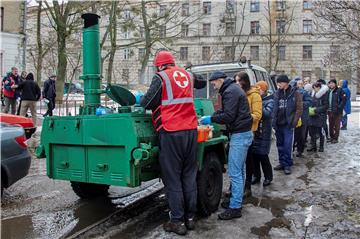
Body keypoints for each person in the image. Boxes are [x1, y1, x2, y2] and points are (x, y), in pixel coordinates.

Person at [140, 50, 204, 235]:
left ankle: (177, 221)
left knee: (173, 178)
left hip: (171, 131)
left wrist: (140, 99)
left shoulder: (161, 78)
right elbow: (200, 82)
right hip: (191, 130)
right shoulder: (187, 75)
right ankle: (190, 218)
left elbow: (147, 103)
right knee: (189, 175)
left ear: (159, 65)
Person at [200, 71, 253, 220]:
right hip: (244, 133)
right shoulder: (233, 89)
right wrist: (215, 115)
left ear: (221, 80)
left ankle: (235, 208)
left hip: (240, 135)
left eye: (214, 83)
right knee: (240, 171)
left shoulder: (230, 91)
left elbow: (229, 116)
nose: (214, 86)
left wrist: (210, 119)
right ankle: (236, 201)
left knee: (235, 172)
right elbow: (226, 111)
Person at [234, 72, 262, 196]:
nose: (236, 83)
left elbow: (257, 115)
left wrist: (242, 116)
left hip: (249, 132)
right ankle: (234, 187)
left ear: (244, 82)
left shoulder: (254, 96)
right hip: (238, 131)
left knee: (247, 161)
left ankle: (247, 187)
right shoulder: (238, 94)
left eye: (238, 81)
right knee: (236, 163)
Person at [272, 75, 303, 175]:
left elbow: (299, 109)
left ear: (285, 83)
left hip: (288, 124)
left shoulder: (295, 93)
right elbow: (274, 108)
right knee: (279, 144)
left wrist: (294, 121)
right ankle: (282, 162)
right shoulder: (277, 93)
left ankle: (287, 164)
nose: (278, 85)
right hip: (278, 123)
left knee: (287, 145)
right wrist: (274, 121)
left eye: (280, 83)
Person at [252, 81, 274, 186]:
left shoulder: (270, 101)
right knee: (254, 156)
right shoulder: (256, 99)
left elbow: (267, 114)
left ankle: (268, 177)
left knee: (263, 156)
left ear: (264, 90)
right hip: (254, 132)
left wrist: (257, 105)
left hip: (264, 133)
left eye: (259, 89)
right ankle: (256, 176)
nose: (257, 91)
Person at [291, 77, 312, 158]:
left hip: (303, 117)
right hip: (294, 117)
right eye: (298, 84)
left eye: (300, 84)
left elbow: (309, 102)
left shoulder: (305, 92)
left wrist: (300, 103)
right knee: (293, 135)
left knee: (302, 135)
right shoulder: (292, 92)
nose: (299, 85)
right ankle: (292, 149)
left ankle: (300, 150)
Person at [307, 82, 329, 152]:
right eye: (314, 88)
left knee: (320, 132)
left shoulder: (324, 94)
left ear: (319, 87)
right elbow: (310, 103)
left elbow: (326, 106)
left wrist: (317, 109)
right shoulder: (313, 94)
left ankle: (321, 146)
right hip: (312, 116)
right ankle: (313, 146)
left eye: (316, 87)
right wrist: (310, 108)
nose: (315, 89)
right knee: (312, 132)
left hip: (320, 116)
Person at [327, 79, 346, 143]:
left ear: (335, 84)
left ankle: (335, 138)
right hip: (330, 111)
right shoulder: (329, 91)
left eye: (332, 83)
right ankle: (331, 137)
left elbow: (343, 100)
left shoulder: (339, 90)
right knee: (331, 125)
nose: (331, 84)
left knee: (337, 125)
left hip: (337, 112)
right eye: (330, 83)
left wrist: (339, 107)